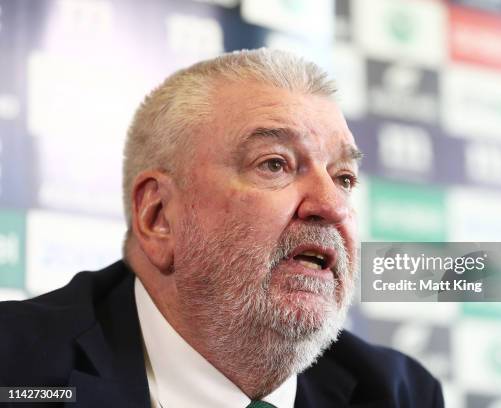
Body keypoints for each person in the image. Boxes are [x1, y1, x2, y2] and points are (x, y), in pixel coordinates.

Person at [0, 49, 444, 408]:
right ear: (158, 216)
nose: (332, 206)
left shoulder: (399, 394)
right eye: (275, 164)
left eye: (344, 177)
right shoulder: (14, 369)